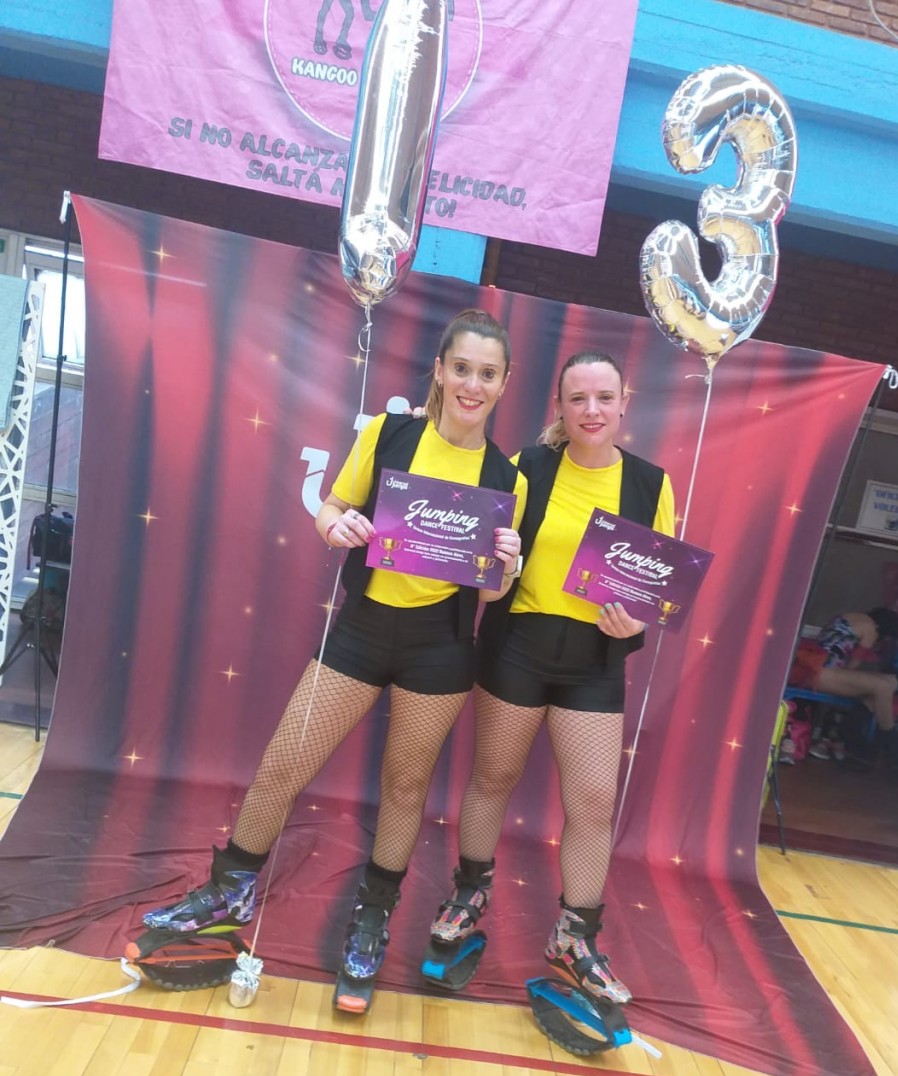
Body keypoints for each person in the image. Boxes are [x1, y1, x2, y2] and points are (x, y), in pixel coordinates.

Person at [138, 309, 527, 1010]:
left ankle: (371, 919)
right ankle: (229, 891)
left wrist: (508, 564)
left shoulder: (508, 478)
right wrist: (337, 523)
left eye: (487, 373)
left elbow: (492, 592)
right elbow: (331, 508)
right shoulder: (388, 434)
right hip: (362, 629)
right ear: (440, 371)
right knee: (283, 764)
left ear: (504, 384)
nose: (473, 384)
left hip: (440, 647)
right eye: (462, 368)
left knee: (404, 788)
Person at [428, 350, 676, 1008]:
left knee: (592, 803)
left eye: (604, 398)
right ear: (560, 409)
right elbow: (491, 564)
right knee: (492, 777)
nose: (592, 410)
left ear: (623, 404)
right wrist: (495, 566)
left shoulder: (652, 484)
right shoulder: (528, 468)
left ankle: (575, 936)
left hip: (595, 661)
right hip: (519, 647)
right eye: (578, 399)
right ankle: (468, 892)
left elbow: (656, 589)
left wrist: (637, 620)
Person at [790, 607, 898, 755]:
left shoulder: (848, 616)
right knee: (882, 686)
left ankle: (855, 729)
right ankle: (890, 739)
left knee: (889, 682)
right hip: (822, 673)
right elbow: (853, 665)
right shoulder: (871, 630)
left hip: (814, 669)